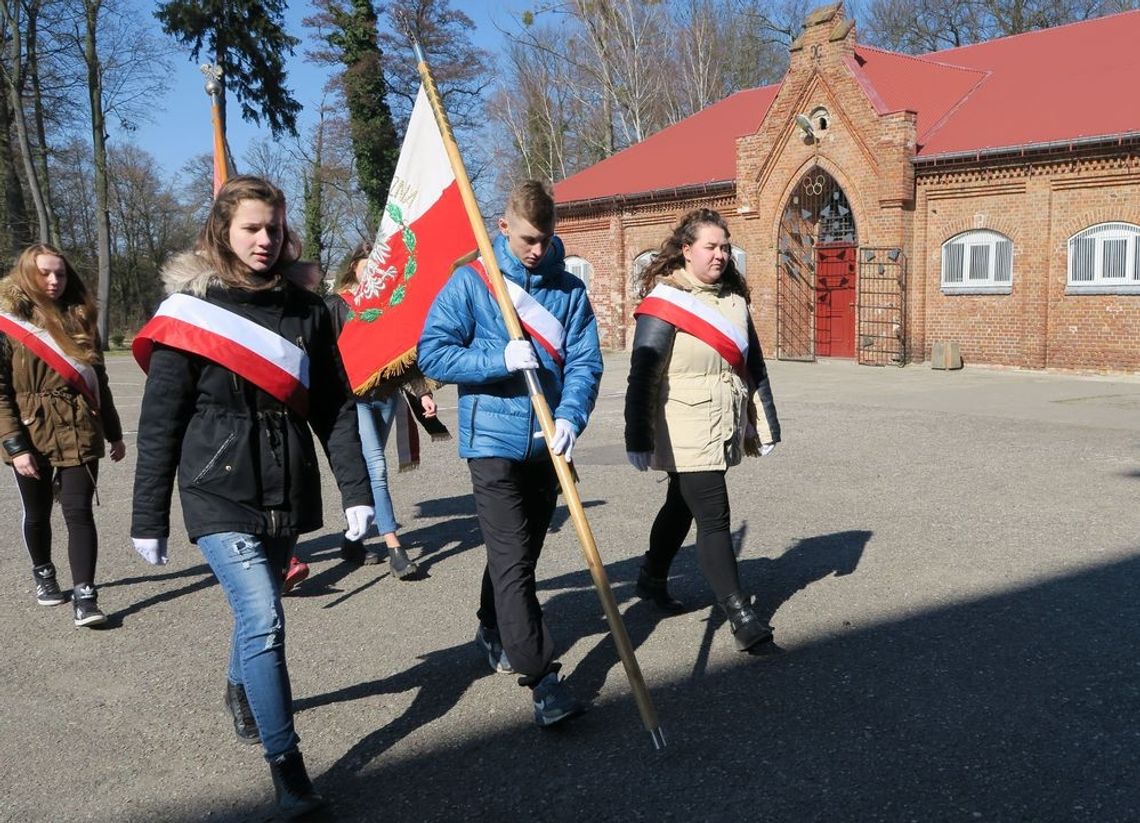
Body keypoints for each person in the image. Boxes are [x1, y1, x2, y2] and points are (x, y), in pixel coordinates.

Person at [129, 175, 374, 818]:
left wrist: (357, 487)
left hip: (287, 483)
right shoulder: (191, 311)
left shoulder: (308, 309)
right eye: (250, 228)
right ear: (222, 231)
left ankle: (241, 684)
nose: (265, 240)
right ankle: (287, 767)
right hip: (215, 486)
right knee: (265, 615)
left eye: (273, 227)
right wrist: (148, 516)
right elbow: (160, 422)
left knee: (255, 611)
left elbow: (334, 407)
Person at [418, 179, 603, 727]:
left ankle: (491, 622)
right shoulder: (471, 283)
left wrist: (572, 416)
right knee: (513, 561)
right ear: (502, 227)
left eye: (545, 239)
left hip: (549, 444)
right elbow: (434, 353)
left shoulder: (569, 290)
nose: (537, 250)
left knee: (521, 553)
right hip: (492, 443)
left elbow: (586, 364)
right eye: (526, 239)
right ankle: (543, 680)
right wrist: (499, 357)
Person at [623, 208, 781, 652]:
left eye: (725, 247)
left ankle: (652, 577)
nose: (720, 255)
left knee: (681, 504)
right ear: (686, 250)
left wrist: (765, 423)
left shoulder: (733, 298)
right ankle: (740, 614)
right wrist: (637, 435)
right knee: (714, 516)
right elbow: (643, 372)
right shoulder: (666, 300)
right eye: (711, 247)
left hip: (722, 424)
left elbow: (754, 367)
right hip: (683, 426)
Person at [0, 244, 125, 628]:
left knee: (79, 512)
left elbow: (98, 381)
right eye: (44, 273)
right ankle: (43, 573)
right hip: (31, 430)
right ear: (26, 275)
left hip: (79, 426)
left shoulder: (81, 317)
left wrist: (114, 432)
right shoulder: (7, 323)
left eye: (61, 273)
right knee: (38, 513)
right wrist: (15, 445)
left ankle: (86, 596)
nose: (54, 280)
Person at [326, 243, 450, 577]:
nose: (374, 275)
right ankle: (395, 548)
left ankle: (352, 539)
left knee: (367, 470)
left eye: (379, 270)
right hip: (354, 401)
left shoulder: (388, 305)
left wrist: (422, 392)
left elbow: (402, 355)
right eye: (369, 268)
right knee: (377, 469)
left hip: (387, 397)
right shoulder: (337, 306)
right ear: (354, 267)